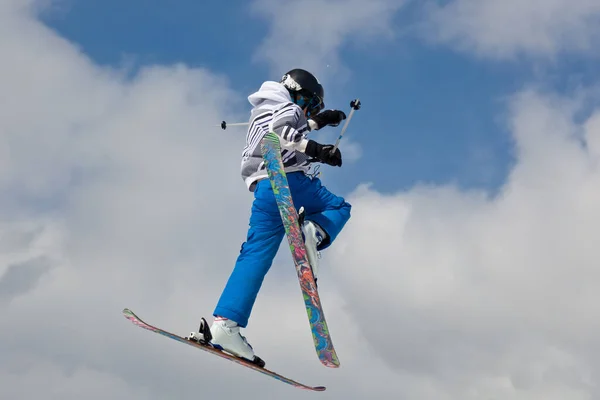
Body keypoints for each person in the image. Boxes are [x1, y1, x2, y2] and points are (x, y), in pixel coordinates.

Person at [208, 69, 352, 366]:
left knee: (255, 254)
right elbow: (282, 134)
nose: (308, 112)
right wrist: (319, 151)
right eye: (311, 105)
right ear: (300, 95)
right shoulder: (287, 107)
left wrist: (319, 122)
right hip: (289, 182)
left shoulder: (263, 109)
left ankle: (226, 325)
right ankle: (315, 231)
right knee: (338, 208)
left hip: (264, 189)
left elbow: (285, 127)